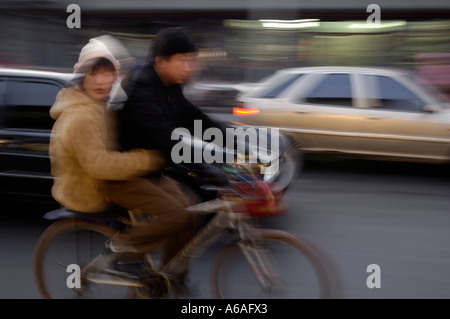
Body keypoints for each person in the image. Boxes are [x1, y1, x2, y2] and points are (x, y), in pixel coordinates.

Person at [101, 27, 229, 285]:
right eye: (183, 60)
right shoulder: (141, 88)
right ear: (161, 61)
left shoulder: (170, 87)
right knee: (176, 214)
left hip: (150, 171)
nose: (189, 67)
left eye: (192, 60)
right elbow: (167, 137)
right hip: (121, 173)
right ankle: (122, 254)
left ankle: (171, 276)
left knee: (191, 210)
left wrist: (237, 143)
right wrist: (209, 164)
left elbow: (197, 120)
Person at [49, 36, 164, 215]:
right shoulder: (82, 115)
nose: (100, 81)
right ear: (81, 76)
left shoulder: (98, 106)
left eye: (107, 73)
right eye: (92, 73)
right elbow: (100, 165)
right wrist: (147, 160)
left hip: (98, 182)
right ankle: (123, 244)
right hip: (89, 194)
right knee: (173, 212)